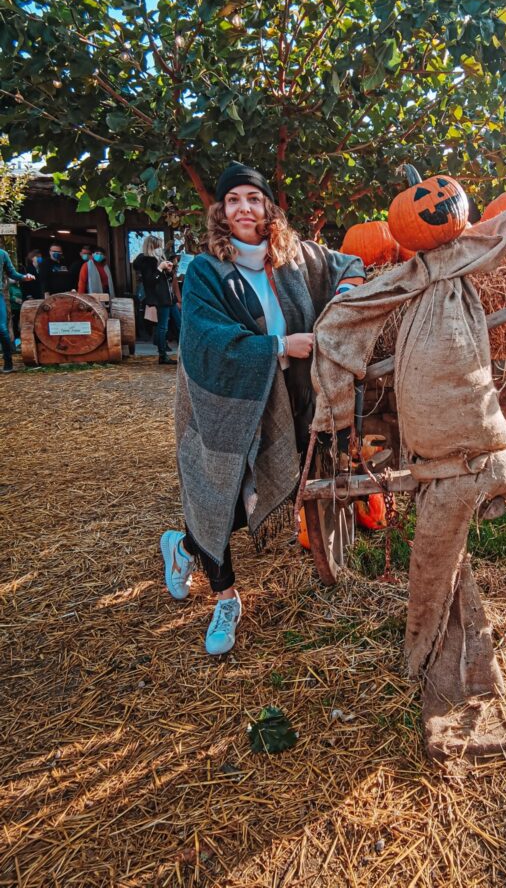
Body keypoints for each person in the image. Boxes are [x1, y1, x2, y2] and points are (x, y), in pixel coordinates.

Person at [160, 162, 365, 655]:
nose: (243, 208)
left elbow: (350, 263)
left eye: (252, 198)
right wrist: (278, 345)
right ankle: (226, 597)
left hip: (284, 397)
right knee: (219, 492)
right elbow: (204, 341)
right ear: (221, 212)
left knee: (259, 487)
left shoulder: (294, 258)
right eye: (233, 200)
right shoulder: (207, 270)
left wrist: (343, 294)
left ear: (268, 207)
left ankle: (184, 545)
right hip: (220, 398)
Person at [132, 236, 180, 365]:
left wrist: (169, 271)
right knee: (162, 326)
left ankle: (184, 352)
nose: (160, 248)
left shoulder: (159, 259)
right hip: (160, 298)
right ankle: (162, 355)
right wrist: (160, 268)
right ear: (152, 246)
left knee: (180, 323)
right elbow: (151, 280)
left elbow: (166, 280)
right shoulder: (147, 261)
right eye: (158, 246)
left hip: (170, 298)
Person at [0, 247, 35, 373]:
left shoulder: (2, 254)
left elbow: (12, 273)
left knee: (2, 329)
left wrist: (24, 277)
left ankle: (8, 363)